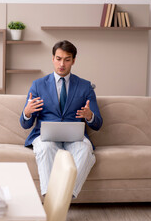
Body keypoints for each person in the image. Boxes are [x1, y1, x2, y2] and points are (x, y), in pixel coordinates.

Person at [20, 40, 103, 198]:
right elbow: (25, 124)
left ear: (73, 61)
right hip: (45, 137)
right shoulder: (38, 85)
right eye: (58, 59)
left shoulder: (85, 86)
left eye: (67, 59)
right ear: (52, 59)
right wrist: (27, 112)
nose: (62, 64)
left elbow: (98, 124)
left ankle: (63, 198)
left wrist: (90, 116)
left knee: (86, 150)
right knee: (45, 148)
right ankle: (50, 196)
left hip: (75, 138)